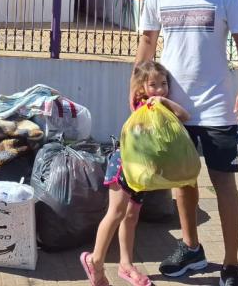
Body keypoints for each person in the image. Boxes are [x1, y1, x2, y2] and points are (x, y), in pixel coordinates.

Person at [135, 0, 238, 286]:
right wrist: (137, 87)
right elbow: (146, 44)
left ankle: (231, 264)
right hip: (171, 109)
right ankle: (191, 248)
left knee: (224, 184)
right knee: (183, 183)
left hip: (218, 106)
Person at [81, 61, 190, 286]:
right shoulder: (142, 106)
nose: (159, 90)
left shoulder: (162, 106)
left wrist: (165, 101)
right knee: (116, 213)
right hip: (124, 166)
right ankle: (95, 260)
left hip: (142, 172)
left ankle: (126, 265)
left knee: (131, 217)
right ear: (141, 87)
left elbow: (184, 116)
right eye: (153, 85)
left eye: (163, 84)